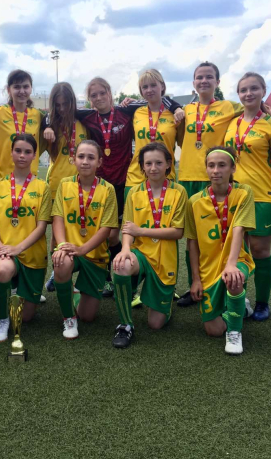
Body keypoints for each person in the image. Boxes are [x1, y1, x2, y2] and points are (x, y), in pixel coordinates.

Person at [59, 77, 183, 299]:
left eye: (102, 93)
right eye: (93, 95)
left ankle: (139, 277)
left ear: (110, 92)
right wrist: (49, 125)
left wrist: (177, 107)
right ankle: (106, 276)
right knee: (104, 233)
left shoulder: (127, 110)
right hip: (100, 184)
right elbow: (61, 111)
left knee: (118, 235)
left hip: (123, 180)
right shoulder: (87, 115)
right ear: (89, 99)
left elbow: (157, 98)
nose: (98, 98)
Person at [176, 62, 244, 307]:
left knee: (219, 235)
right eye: (199, 77)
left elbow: (255, 106)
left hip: (213, 177)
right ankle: (194, 285)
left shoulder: (229, 106)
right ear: (193, 82)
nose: (203, 81)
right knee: (192, 237)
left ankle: (226, 284)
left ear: (217, 81)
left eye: (209, 77)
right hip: (187, 178)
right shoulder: (185, 109)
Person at [111, 143, 187, 349]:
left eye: (158, 163)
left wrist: (141, 231)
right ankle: (125, 325)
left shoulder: (179, 191)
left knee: (156, 324)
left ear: (168, 164)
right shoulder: (134, 192)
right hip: (140, 254)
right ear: (142, 166)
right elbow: (128, 228)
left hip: (164, 260)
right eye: (148, 163)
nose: (153, 168)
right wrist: (125, 250)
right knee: (121, 264)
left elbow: (177, 232)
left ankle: (163, 303)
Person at [185, 146, 255, 355]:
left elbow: (239, 229)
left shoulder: (244, 193)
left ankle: (234, 332)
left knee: (234, 277)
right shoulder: (194, 201)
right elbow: (192, 243)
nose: (216, 170)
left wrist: (231, 264)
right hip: (208, 269)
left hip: (237, 260)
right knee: (213, 330)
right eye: (211, 165)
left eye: (222, 165)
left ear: (233, 168)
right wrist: (195, 279)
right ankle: (238, 307)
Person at [0, 134, 52, 343]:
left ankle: (15, 289)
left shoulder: (43, 187)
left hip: (32, 254)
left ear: (34, 156)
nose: (22, 155)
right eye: (18, 150)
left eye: (27, 152)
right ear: (11, 153)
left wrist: (18, 248)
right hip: (4, 250)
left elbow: (41, 227)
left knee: (26, 317)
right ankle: (1, 319)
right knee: (3, 269)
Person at [125, 69, 185, 308]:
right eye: (144, 87)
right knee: (133, 231)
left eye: (153, 85)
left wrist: (177, 106)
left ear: (162, 86)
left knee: (167, 231)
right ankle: (133, 286)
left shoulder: (175, 113)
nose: (149, 90)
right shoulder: (135, 111)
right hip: (135, 178)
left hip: (165, 179)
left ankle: (166, 283)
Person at [224, 72, 271, 319]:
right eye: (243, 90)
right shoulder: (231, 123)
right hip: (234, 196)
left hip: (262, 195)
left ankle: (262, 303)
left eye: (254, 88)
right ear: (238, 94)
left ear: (263, 91)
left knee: (259, 250)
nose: (248, 94)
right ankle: (240, 299)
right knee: (237, 251)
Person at [51, 141, 118, 339]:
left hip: (95, 256)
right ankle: (68, 318)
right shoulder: (65, 184)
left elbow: (106, 229)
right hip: (69, 250)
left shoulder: (108, 189)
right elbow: (58, 218)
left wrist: (83, 249)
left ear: (99, 162)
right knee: (62, 262)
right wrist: (61, 246)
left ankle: (74, 293)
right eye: (81, 156)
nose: (85, 161)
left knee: (87, 316)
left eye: (91, 157)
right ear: (73, 159)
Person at [43, 82, 89, 293]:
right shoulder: (49, 125)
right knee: (57, 233)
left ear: (73, 102)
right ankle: (58, 273)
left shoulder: (84, 122)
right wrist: (46, 127)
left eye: (65, 104)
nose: (62, 109)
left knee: (78, 228)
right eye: (57, 105)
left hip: (81, 185)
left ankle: (79, 273)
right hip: (57, 185)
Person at [0, 69, 48, 180]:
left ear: (31, 89)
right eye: (17, 87)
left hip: (30, 178)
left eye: (26, 87)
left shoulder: (38, 115)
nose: (22, 91)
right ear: (8, 90)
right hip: (2, 177)